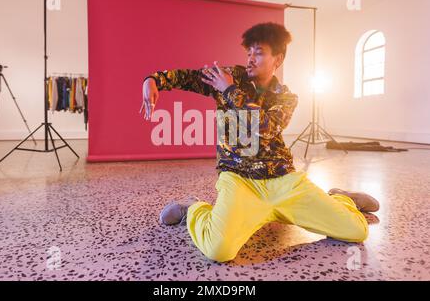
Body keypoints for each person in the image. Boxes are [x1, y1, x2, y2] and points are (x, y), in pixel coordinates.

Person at [140, 22, 379, 262]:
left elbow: (263, 127)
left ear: (278, 59)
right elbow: (188, 77)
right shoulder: (230, 77)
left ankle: (341, 198)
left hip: (283, 181)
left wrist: (230, 90)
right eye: (249, 53)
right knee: (218, 250)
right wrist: (153, 80)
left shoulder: (286, 98)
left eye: (260, 52)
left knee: (356, 230)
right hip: (239, 179)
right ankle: (192, 208)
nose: (251, 59)